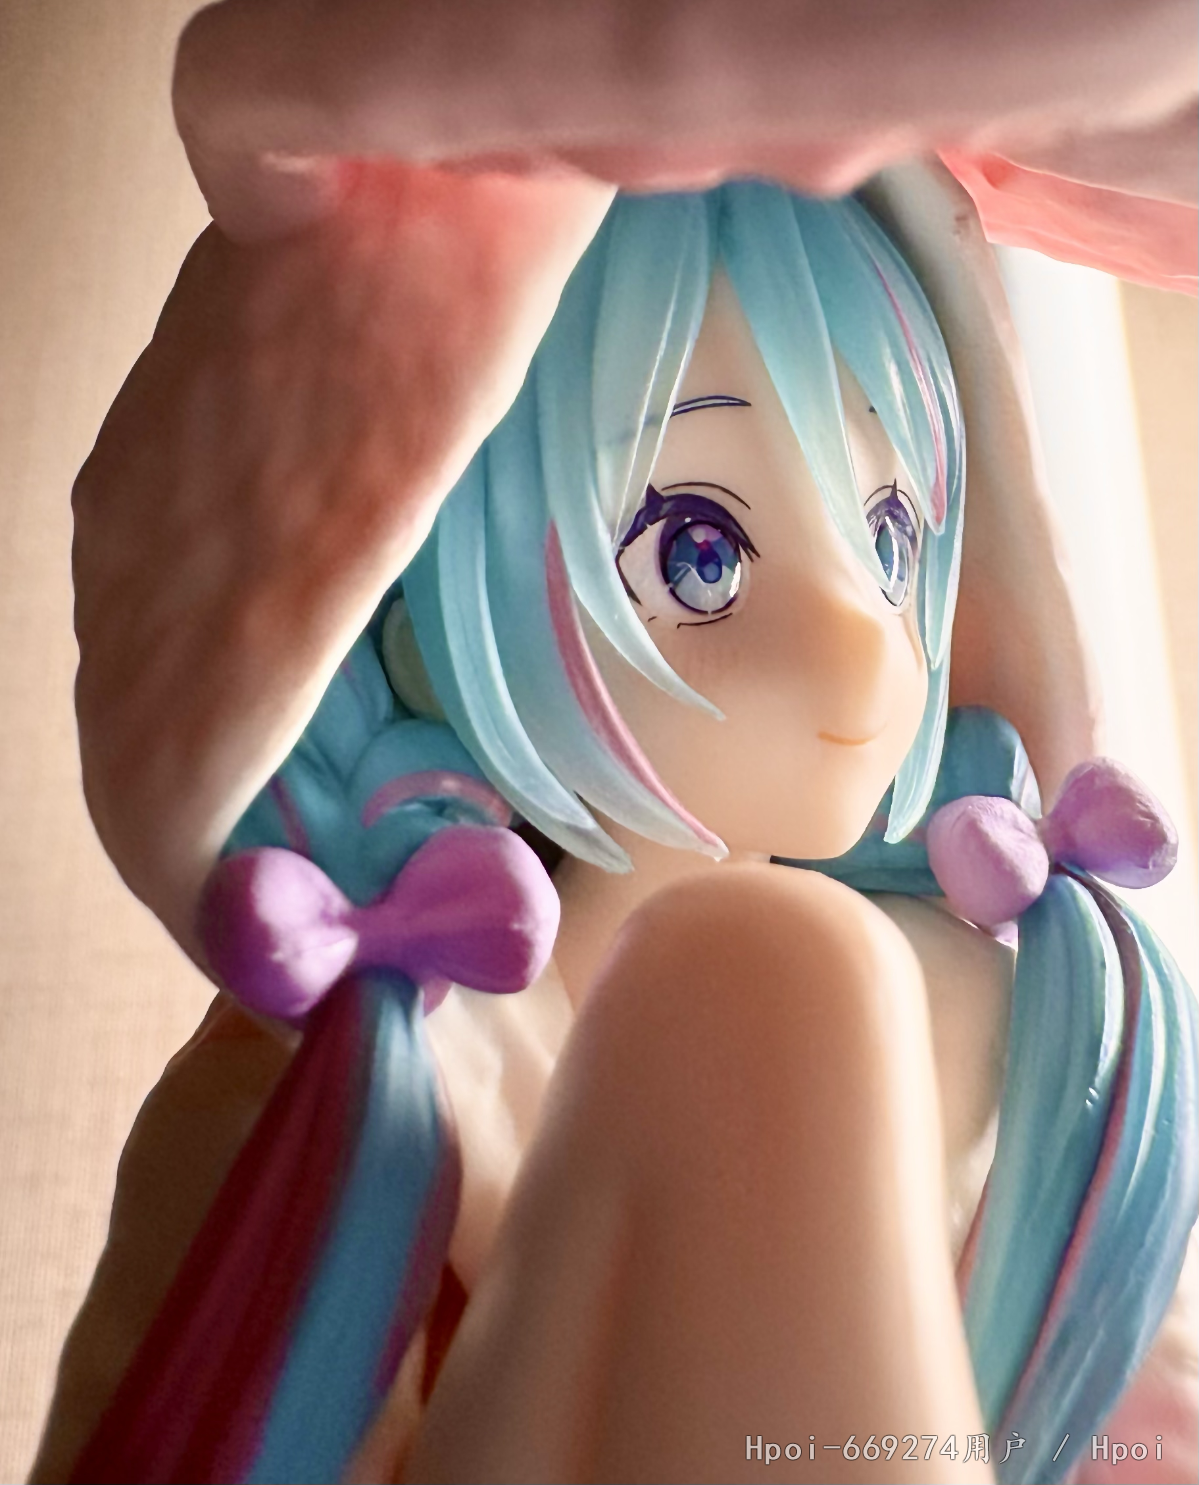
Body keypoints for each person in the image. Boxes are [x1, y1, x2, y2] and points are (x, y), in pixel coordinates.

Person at [39, 167, 1194, 1485]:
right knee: (763, 967)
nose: (860, 642)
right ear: (403, 596)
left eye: (888, 541)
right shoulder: (351, 1072)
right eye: (697, 552)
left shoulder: (1016, 1025)